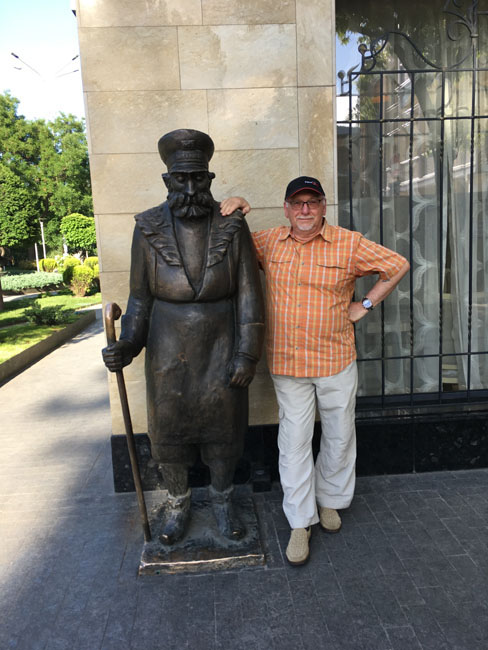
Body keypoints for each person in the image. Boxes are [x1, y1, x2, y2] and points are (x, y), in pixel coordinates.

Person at [221, 177, 409, 565]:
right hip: (288, 364)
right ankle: (300, 521)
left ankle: (330, 500)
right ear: (286, 208)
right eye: (298, 203)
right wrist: (237, 208)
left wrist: (366, 306)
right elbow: (228, 245)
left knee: (340, 436)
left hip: (335, 360)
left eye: (313, 202)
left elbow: (397, 265)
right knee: (293, 442)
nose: (305, 210)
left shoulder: (349, 243)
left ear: (324, 206)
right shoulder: (268, 242)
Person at [102, 129, 264, 545]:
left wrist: (246, 355)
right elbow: (138, 301)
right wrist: (127, 344)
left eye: (198, 179)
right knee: (170, 433)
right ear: (167, 180)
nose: (190, 189)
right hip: (167, 353)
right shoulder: (147, 228)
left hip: (221, 348)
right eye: (181, 180)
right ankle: (178, 503)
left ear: (209, 178)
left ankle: (224, 499)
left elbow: (249, 296)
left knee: (224, 433)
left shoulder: (233, 226)